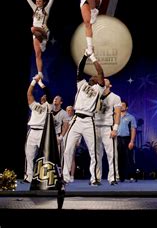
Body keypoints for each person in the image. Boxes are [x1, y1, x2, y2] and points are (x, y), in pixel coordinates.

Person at [62, 50, 105, 185]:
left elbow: (101, 73)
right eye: (91, 76)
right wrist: (85, 56)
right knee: (68, 148)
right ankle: (65, 177)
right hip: (76, 119)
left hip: (89, 121)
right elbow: (79, 69)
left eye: (95, 77)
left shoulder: (99, 89)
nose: (93, 77)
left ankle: (94, 179)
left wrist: (93, 57)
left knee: (93, 151)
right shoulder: (82, 84)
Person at [17, 0, 60, 78]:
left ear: (44, 2)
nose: (37, 3)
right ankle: (40, 73)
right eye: (36, 1)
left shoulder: (46, 9)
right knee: (37, 54)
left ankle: (44, 42)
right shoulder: (34, 8)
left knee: (33, 29)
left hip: (44, 31)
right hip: (36, 35)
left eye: (39, 1)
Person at [24, 75, 53, 183]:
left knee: (45, 155)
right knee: (29, 155)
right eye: (43, 96)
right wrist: (33, 82)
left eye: (45, 97)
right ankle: (29, 177)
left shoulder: (49, 106)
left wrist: (40, 83)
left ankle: (44, 177)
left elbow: (49, 94)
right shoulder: (34, 105)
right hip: (32, 131)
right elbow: (29, 94)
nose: (43, 97)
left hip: (42, 132)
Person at [94, 79, 121, 185]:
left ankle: (113, 177)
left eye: (105, 81)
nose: (103, 82)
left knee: (112, 154)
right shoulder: (95, 95)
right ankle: (96, 178)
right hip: (95, 126)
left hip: (107, 127)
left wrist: (115, 128)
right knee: (96, 154)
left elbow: (117, 114)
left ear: (110, 85)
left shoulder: (115, 97)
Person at [117, 101, 137, 182]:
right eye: (120, 105)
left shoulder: (131, 117)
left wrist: (131, 141)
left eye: (123, 105)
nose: (121, 107)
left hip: (127, 139)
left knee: (129, 158)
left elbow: (133, 129)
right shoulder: (115, 116)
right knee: (118, 158)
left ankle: (131, 176)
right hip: (117, 139)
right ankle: (120, 177)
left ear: (127, 107)